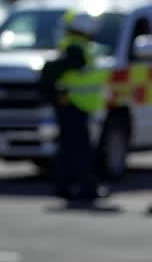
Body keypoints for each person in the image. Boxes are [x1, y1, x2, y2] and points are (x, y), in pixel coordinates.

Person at [40, 11, 108, 204]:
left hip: (74, 104)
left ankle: (67, 186)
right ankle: (85, 187)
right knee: (79, 149)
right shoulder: (76, 48)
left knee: (69, 148)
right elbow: (53, 71)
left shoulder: (77, 47)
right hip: (73, 105)